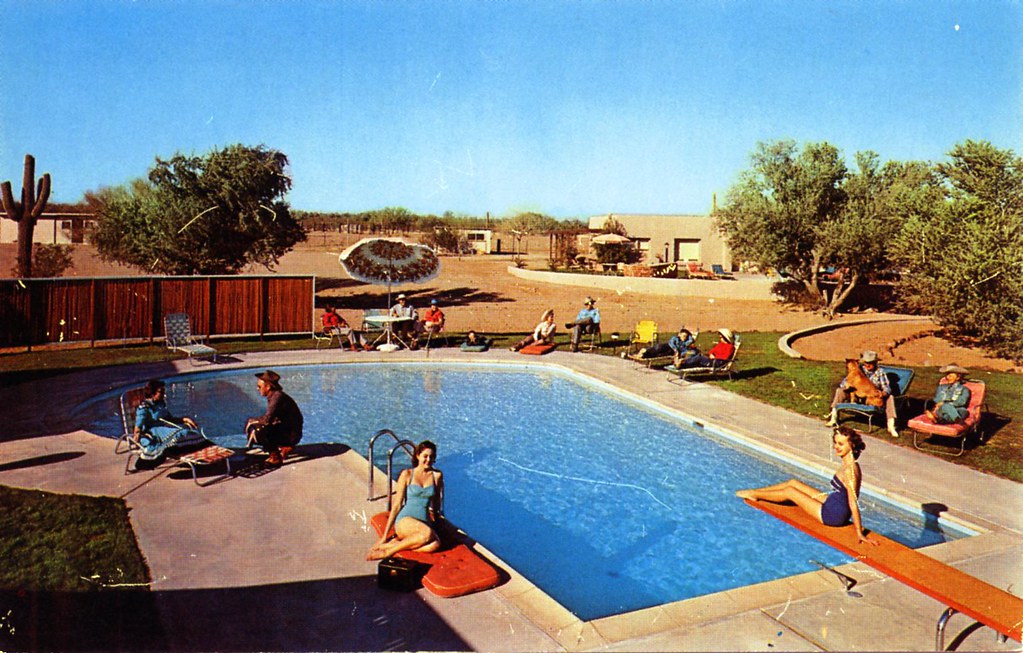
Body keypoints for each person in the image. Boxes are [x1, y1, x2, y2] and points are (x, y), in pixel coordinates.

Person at [737, 426, 877, 546]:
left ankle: (754, 495)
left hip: (833, 515)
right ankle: (755, 491)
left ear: (851, 445)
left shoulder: (850, 470)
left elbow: (853, 502)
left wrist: (860, 533)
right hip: (832, 503)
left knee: (790, 492)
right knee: (793, 483)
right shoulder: (850, 465)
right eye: (835, 443)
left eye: (840, 444)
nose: (836, 447)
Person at [367, 440, 445, 561]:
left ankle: (393, 544)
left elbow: (436, 503)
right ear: (418, 456)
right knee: (427, 535)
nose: (428, 459)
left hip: (424, 523)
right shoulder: (407, 474)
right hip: (405, 520)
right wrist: (384, 536)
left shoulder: (437, 476)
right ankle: (388, 551)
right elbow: (397, 505)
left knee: (435, 544)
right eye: (425, 456)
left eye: (431, 456)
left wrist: (437, 522)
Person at [826, 350, 900, 438]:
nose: (867, 365)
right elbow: (844, 383)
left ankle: (891, 426)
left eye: (870, 363)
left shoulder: (880, 372)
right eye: (865, 363)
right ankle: (833, 418)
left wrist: (883, 393)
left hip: (873, 398)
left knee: (890, 397)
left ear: (875, 362)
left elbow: (887, 388)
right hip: (857, 396)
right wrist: (847, 385)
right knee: (840, 390)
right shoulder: (858, 369)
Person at [132, 379, 205, 470]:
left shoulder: (161, 404)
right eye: (161, 392)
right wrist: (137, 434)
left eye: (164, 392)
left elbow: (169, 419)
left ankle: (188, 450)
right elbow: (138, 425)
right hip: (153, 433)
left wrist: (184, 419)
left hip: (163, 429)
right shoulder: (144, 407)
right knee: (179, 435)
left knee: (190, 433)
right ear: (152, 392)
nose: (164, 394)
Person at [245, 370, 304, 467]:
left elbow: (267, 420)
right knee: (258, 427)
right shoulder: (274, 396)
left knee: (259, 430)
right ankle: (285, 447)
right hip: (289, 430)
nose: (257, 388)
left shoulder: (277, 397)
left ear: (268, 387)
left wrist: (253, 422)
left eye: (259, 386)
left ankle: (276, 457)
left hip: (292, 434)